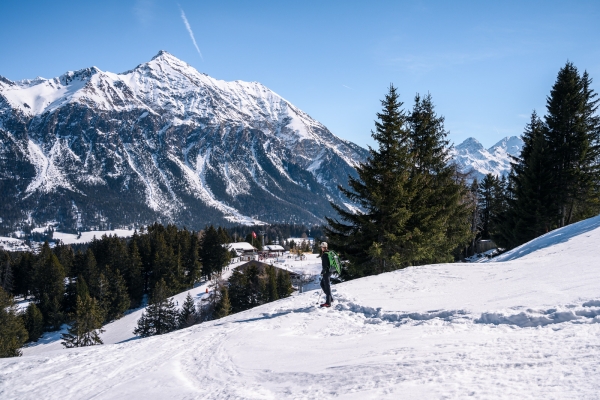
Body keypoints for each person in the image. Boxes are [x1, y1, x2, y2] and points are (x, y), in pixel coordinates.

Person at [318, 242, 333, 307]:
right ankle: (330, 299)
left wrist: (322, 272)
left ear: (322, 247)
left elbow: (325, 265)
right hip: (330, 271)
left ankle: (328, 302)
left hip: (326, 272)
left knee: (327, 286)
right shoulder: (329, 253)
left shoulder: (324, 255)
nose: (321, 248)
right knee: (322, 284)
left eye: (321, 247)